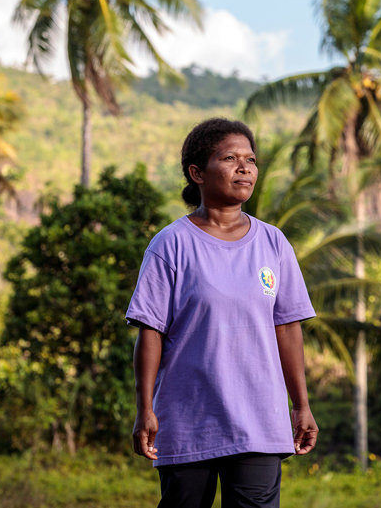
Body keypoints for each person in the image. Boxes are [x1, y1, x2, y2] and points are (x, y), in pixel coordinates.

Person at [126, 117, 318, 508]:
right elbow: (150, 332)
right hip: (188, 420)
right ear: (197, 172)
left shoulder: (274, 243)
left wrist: (301, 405)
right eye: (230, 158)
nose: (244, 167)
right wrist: (145, 409)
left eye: (250, 159)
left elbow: (287, 329)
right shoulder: (171, 245)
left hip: (260, 421)